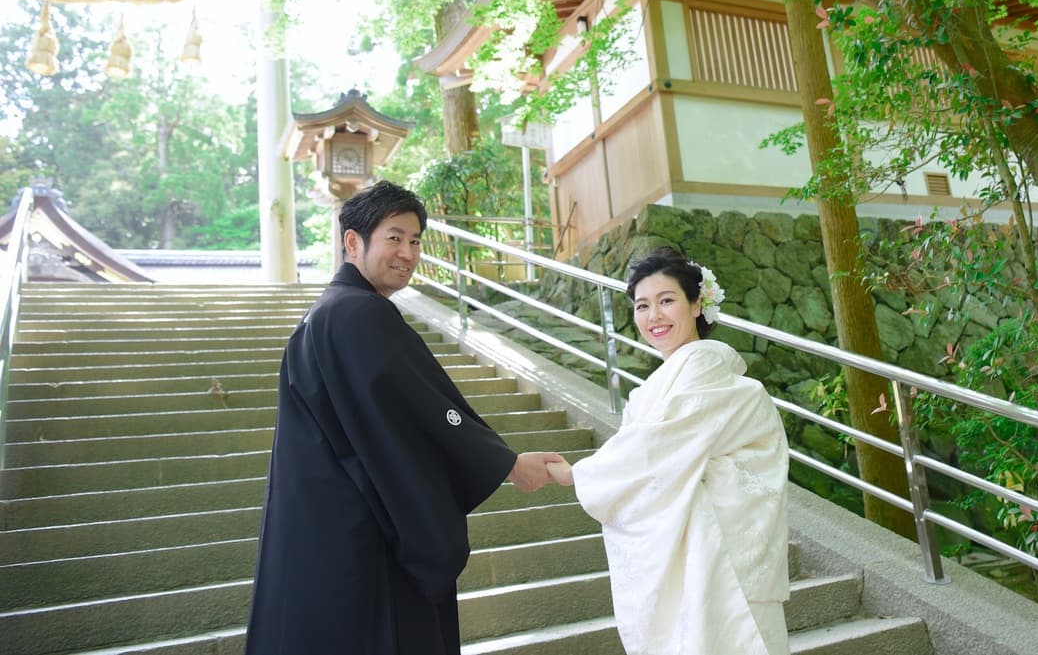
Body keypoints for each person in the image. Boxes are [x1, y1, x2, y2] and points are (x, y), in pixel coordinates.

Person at [245, 180, 561, 655]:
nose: (408, 253)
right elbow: (428, 410)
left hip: (318, 536)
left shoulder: (323, 317)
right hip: (362, 537)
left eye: (415, 241)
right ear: (353, 242)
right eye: (394, 237)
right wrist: (506, 463)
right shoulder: (358, 315)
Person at [547, 248, 791, 655]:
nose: (654, 316)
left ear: (697, 304)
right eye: (643, 305)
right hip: (697, 541)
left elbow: (659, 447)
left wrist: (580, 474)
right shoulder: (664, 380)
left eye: (666, 301)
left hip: (716, 548)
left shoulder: (704, 366)